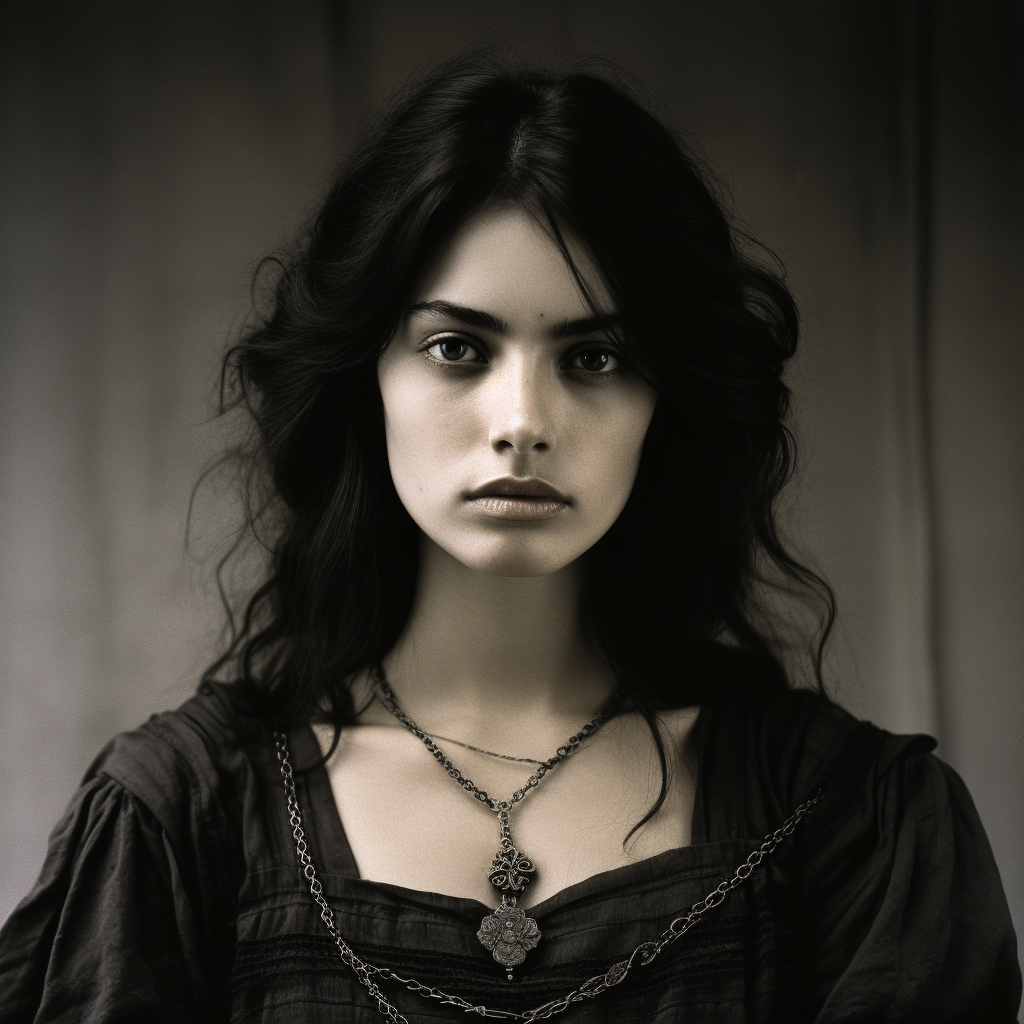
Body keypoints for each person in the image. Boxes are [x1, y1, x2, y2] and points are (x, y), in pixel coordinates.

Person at [0, 51, 1019, 1024]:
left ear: (667, 399)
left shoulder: (850, 825)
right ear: (369, 380)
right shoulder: (180, 823)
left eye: (594, 356)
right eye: (457, 347)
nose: (521, 417)